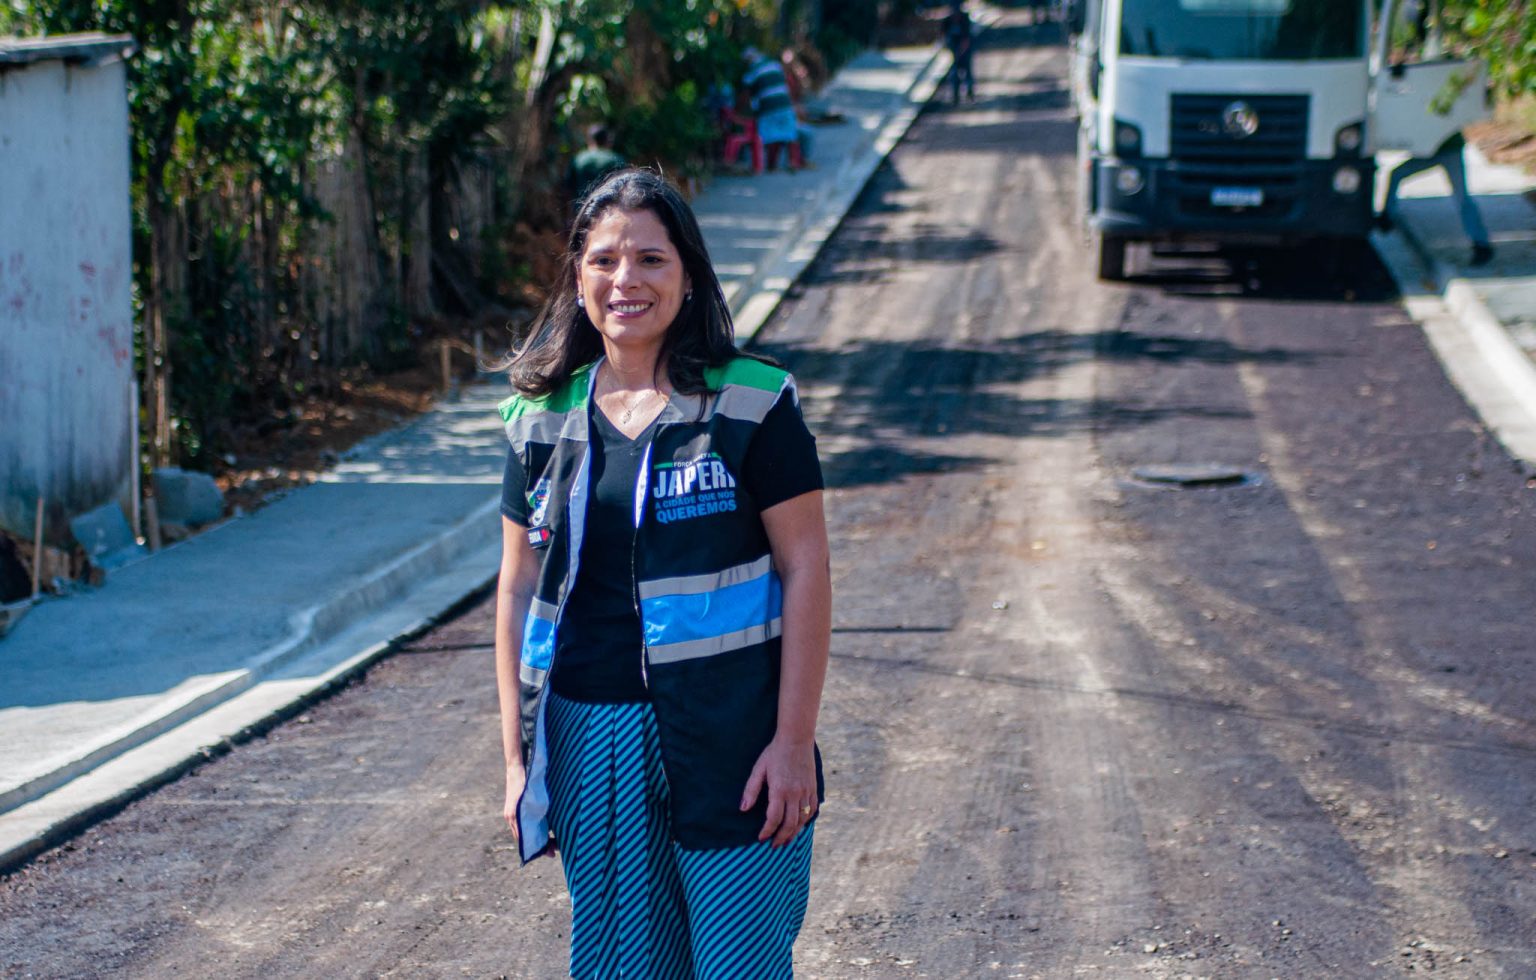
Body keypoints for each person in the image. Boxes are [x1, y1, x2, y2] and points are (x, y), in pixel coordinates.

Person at [495, 167, 831, 979]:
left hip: (735, 738)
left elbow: (806, 566)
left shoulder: (752, 403)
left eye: (651, 259)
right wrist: (516, 760)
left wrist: (792, 741)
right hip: (593, 739)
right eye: (604, 260)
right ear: (578, 280)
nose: (627, 280)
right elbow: (516, 587)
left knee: (739, 966)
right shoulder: (539, 419)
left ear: (688, 277)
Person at [1378, 132, 1493, 267]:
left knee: (1462, 199)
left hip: (1449, 149)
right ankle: (1386, 217)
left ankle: (1481, 245)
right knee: (1396, 174)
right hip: (1435, 150)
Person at [742, 47, 802, 171]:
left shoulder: (752, 71)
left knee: (771, 137)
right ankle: (793, 162)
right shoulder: (775, 65)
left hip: (768, 107)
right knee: (789, 135)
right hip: (785, 104)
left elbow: (746, 94)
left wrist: (747, 111)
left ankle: (772, 165)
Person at [567, 124, 626, 205]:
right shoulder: (615, 159)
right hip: (607, 207)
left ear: (589, 139)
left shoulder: (579, 158)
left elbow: (568, 186)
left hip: (581, 206)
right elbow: (624, 185)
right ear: (607, 140)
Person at [943, 3, 976, 105]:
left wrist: (961, 51)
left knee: (967, 72)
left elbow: (967, 39)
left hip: (965, 50)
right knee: (954, 74)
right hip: (954, 50)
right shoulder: (947, 21)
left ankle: (970, 93)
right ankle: (955, 96)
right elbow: (944, 36)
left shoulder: (964, 20)